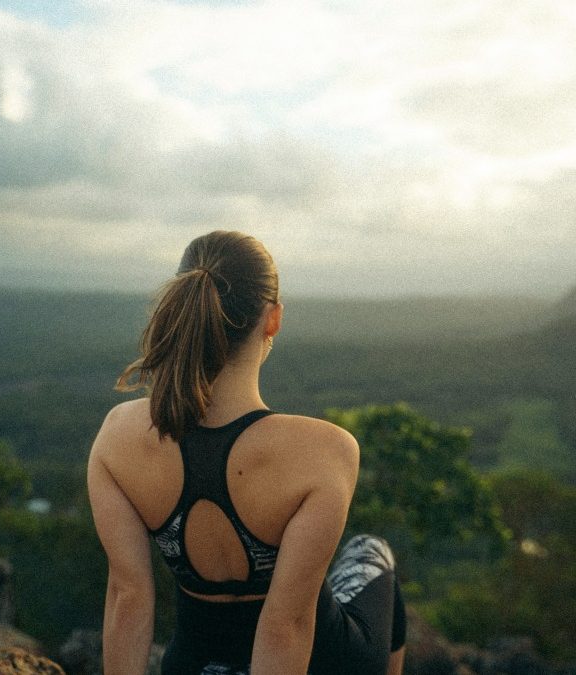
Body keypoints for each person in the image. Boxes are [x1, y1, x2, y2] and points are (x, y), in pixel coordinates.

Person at [88, 230, 407, 675]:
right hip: (318, 663)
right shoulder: (324, 451)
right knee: (373, 551)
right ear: (272, 319)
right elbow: (286, 626)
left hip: (192, 663)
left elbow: (128, 597)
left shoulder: (117, 435)